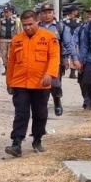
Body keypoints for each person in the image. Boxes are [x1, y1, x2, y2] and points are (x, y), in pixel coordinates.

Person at [5, 9, 60, 157]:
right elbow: (11, 62)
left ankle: (37, 139)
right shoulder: (17, 39)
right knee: (21, 113)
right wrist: (9, 81)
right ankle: (16, 143)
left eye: (30, 24)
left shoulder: (49, 37)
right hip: (20, 82)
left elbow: (55, 57)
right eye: (25, 25)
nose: (28, 27)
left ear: (37, 22)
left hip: (40, 83)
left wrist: (50, 74)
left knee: (40, 113)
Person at [37, 4, 67, 116]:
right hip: (39, 61)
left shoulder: (60, 27)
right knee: (41, 85)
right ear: (40, 15)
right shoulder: (37, 27)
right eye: (44, 13)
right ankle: (41, 107)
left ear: (53, 13)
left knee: (55, 84)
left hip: (55, 61)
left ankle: (57, 101)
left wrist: (67, 58)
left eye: (49, 12)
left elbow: (67, 44)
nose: (47, 15)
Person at [61, 4, 83, 78]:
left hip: (74, 39)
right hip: (65, 39)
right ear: (73, 11)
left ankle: (72, 72)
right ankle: (63, 69)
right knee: (64, 54)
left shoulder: (78, 21)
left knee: (74, 54)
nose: (77, 12)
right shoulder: (63, 20)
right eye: (76, 11)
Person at [0, 6, 18, 75]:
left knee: (11, 55)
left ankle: (11, 69)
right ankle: (6, 68)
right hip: (3, 40)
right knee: (3, 55)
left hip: (12, 40)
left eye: (7, 12)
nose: (6, 14)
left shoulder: (15, 20)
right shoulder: (1, 20)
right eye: (5, 12)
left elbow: (18, 30)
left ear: (11, 12)